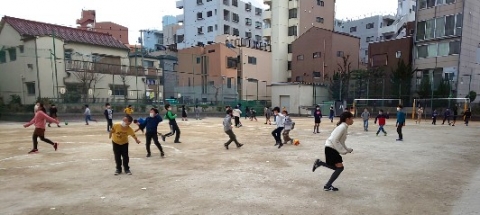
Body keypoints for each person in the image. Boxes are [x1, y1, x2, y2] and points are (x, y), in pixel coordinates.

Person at [312, 112, 354, 192]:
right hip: (331, 148)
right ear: (347, 119)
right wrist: (342, 151)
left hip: (331, 148)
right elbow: (334, 140)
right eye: (352, 118)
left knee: (337, 168)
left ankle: (320, 163)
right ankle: (327, 185)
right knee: (340, 167)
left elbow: (341, 142)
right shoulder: (342, 127)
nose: (353, 120)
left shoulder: (344, 127)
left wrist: (347, 149)